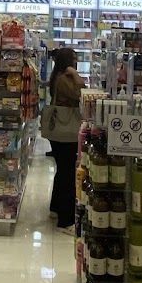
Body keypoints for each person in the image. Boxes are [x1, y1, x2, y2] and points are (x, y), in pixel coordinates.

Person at [42, 46, 84, 233]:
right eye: (74, 58)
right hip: (66, 132)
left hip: (58, 132)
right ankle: (65, 221)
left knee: (62, 171)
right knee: (68, 173)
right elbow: (80, 93)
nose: (76, 61)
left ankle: (55, 208)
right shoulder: (65, 78)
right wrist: (75, 75)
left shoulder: (55, 76)